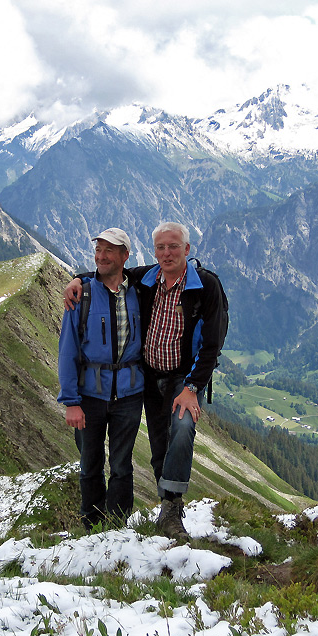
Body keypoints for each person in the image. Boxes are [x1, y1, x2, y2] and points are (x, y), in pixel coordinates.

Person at [65, 221, 227, 539]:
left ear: (187, 250)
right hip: (150, 380)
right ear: (154, 252)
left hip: (183, 380)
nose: (167, 253)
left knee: (181, 430)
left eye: (174, 246)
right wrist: (79, 279)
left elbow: (213, 343)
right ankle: (145, 517)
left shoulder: (206, 286)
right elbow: (108, 272)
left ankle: (170, 510)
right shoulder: (146, 278)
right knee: (158, 450)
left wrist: (193, 388)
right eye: (161, 248)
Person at [58, 228, 145, 531]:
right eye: (98, 249)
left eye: (110, 250)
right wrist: (71, 401)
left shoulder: (140, 291)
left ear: (125, 255)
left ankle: (118, 526)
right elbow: (68, 349)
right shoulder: (81, 296)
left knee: (122, 465)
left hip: (130, 394)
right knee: (90, 464)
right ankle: (91, 527)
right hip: (89, 396)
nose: (101, 256)